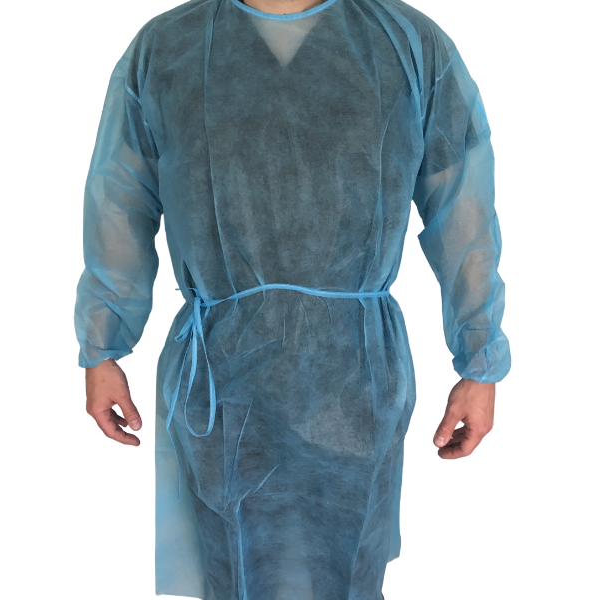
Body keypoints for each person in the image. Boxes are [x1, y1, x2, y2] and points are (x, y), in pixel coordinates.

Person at [75, 0, 511, 597]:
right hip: (221, 381)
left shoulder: (409, 45)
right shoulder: (168, 48)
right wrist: (102, 348)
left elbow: (462, 209)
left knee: (347, 574)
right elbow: (120, 201)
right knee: (233, 572)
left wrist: (480, 363)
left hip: (355, 379)